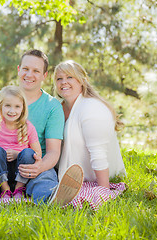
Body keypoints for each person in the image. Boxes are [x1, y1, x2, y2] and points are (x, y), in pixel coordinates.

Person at [0, 50, 83, 205]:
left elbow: (53, 151)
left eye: (36, 71)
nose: (29, 74)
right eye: (25, 69)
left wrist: (39, 167)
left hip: (31, 164)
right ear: (19, 70)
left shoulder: (52, 107)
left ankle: (53, 199)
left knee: (44, 180)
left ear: (44, 76)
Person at [54, 60, 126, 188]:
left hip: (91, 176)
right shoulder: (58, 107)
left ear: (81, 80)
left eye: (69, 77)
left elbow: (98, 153)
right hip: (62, 173)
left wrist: (103, 190)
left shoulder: (92, 108)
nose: (63, 82)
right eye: (59, 78)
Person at [0, 86, 42, 200]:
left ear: (23, 108)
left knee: (28, 153)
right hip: (0, 169)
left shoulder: (28, 127)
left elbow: (38, 153)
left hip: (20, 170)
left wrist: (18, 154)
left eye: (17, 106)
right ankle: (5, 190)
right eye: (8, 106)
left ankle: (18, 190)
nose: (12, 111)